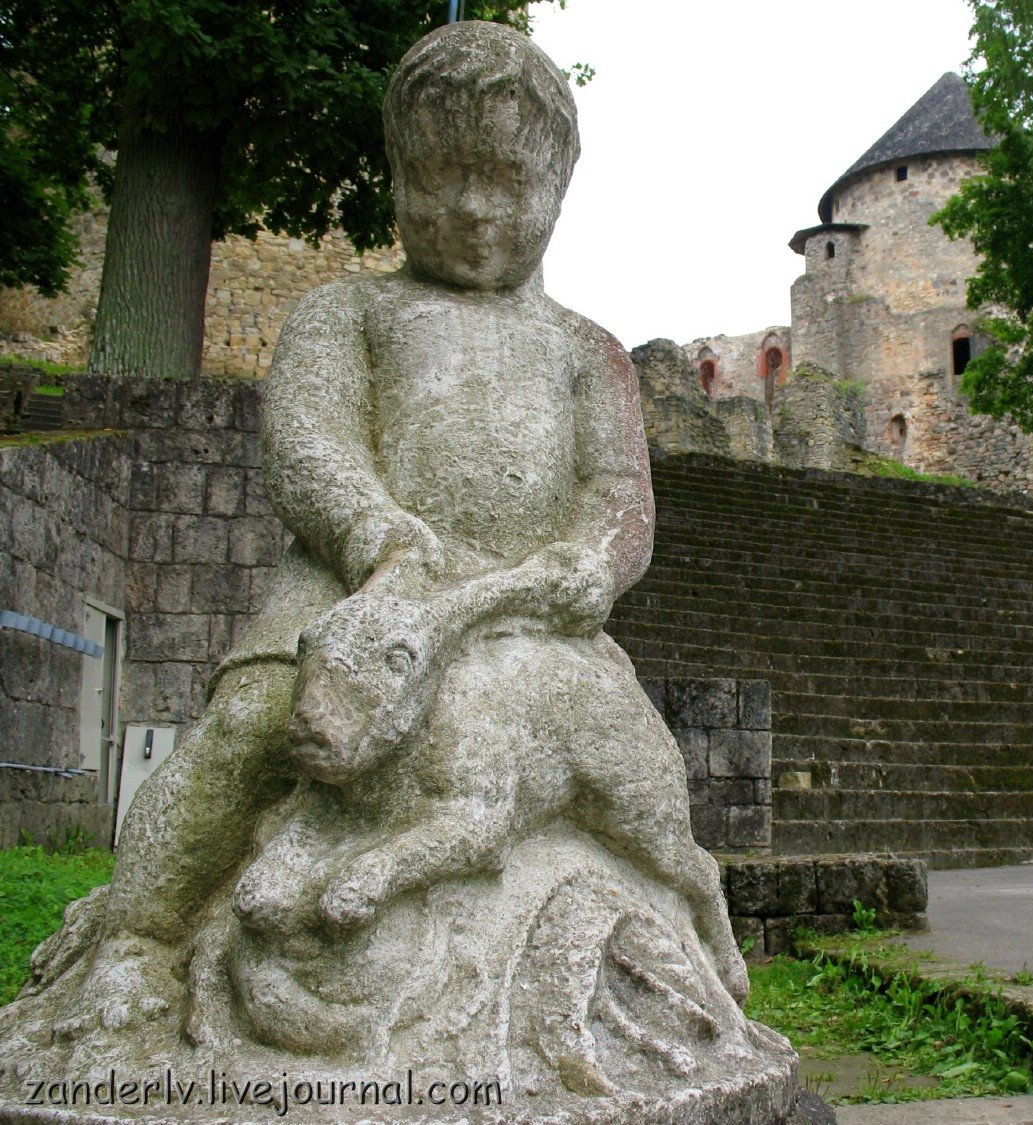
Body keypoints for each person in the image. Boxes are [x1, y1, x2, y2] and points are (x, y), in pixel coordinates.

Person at [29, 20, 744, 1026]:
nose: (473, 208)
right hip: (353, 593)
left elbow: (619, 494)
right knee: (246, 730)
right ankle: (141, 936)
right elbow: (307, 447)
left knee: (615, 758)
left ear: (556, 188)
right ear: (399, 176)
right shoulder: (347, 314)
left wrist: (594, 561)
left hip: (523, 619)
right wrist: (377, 536)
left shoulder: (587, 351)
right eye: (442, 177)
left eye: (506, 181)